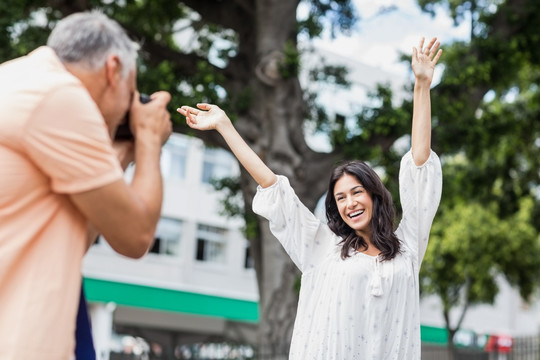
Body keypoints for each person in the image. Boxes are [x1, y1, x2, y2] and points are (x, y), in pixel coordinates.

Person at [178, 37, 443, 359]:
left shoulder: (408, 247)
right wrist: (225, 126)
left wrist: (421, 86)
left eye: (357, 192)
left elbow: (419, 167)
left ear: (375, 195)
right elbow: (274, 187)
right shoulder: (322, 247)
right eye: (341, 197)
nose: (350, 203)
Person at [0, 11, 172, 360]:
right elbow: (134, 236)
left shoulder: (20, 79)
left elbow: (79, 231)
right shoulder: (58, 98)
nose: (129, 104)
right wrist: (149, 139)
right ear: (112, 69)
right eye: (130, 88)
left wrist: (122, 153)